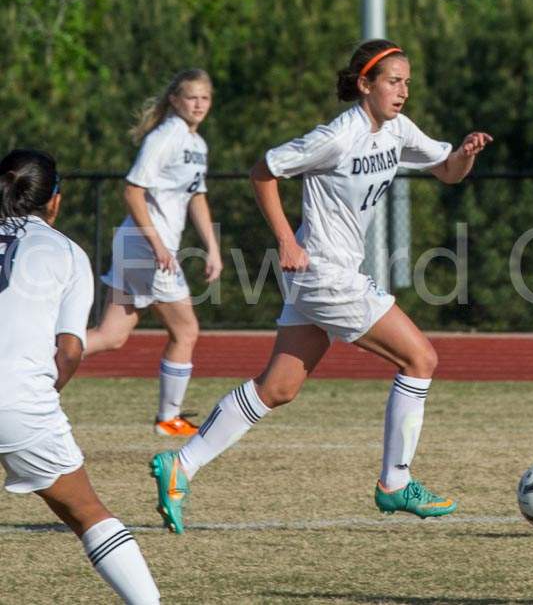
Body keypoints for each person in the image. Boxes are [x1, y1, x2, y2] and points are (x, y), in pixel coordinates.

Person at [149, 39, 492, 533]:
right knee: (421, 358)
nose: (403, 91)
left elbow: (447, 172)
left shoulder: (396, 128)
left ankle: (181, 465)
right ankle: (395, 482)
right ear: (365, 84)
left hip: (328, 276)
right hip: (324, 274)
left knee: (279, 388)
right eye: (394, 81)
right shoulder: (337, 135)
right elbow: (263, 172)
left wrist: (464, 153)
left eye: (407, 82)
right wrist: (286, 240)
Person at [0, 149, 161, 604]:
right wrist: (34, 400)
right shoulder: (66, 252)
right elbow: (69, 351)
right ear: (55, 200)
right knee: (86, 512)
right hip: (19, 401)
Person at [86, 69, 223, 437]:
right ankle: (168, 419)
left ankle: (32, 359)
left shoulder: (198, 144)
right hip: (147, 248)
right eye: (191, 97)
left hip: (141, 246)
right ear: (175, 100)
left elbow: (197, 197)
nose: (199, 104)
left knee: (111, 336)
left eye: (205, 98)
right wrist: (158, 245)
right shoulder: (165, 137)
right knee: (186, 330)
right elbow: (132, 191)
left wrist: (213, 248)